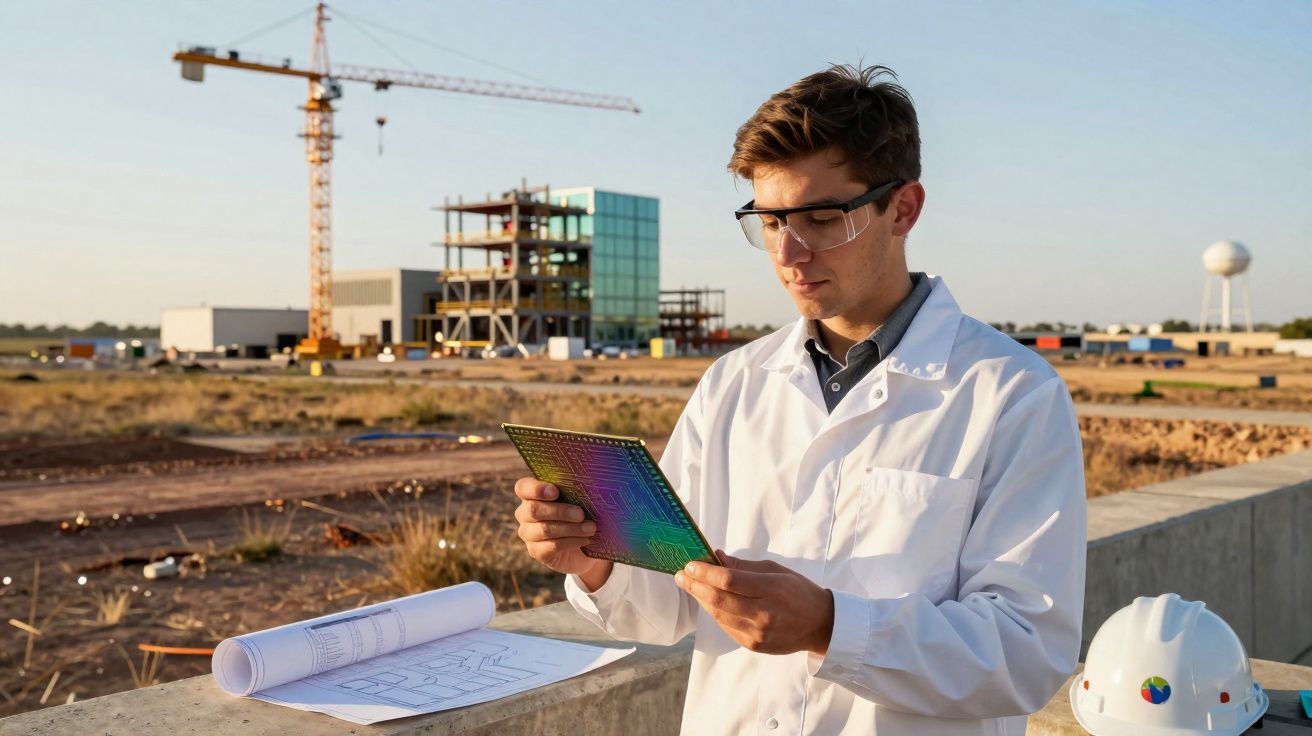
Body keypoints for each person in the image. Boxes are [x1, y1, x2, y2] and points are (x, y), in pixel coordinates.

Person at [513, 64, 1087, 735]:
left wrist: (828, 625)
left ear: (902, 209)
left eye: (821, 218)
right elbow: (669, 605)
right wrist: (595, 562)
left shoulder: (1010, 393)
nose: (789, 252)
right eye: (768, 220)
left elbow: (1026, 654)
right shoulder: (733, 384)